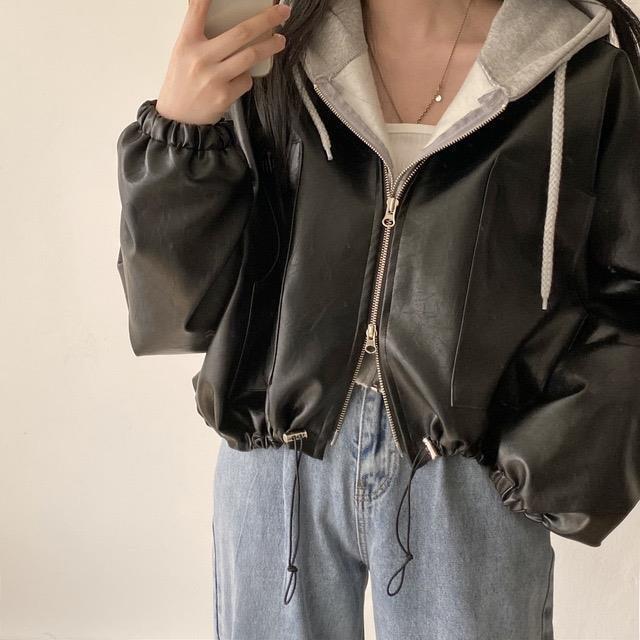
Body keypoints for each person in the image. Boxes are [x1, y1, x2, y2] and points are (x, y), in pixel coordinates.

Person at [115, 0, 640, 637]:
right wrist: (180, 132)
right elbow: (176, 313)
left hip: (468, 475)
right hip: (277, 467)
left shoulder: (579, 69)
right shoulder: (273, 52)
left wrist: (545, 461)